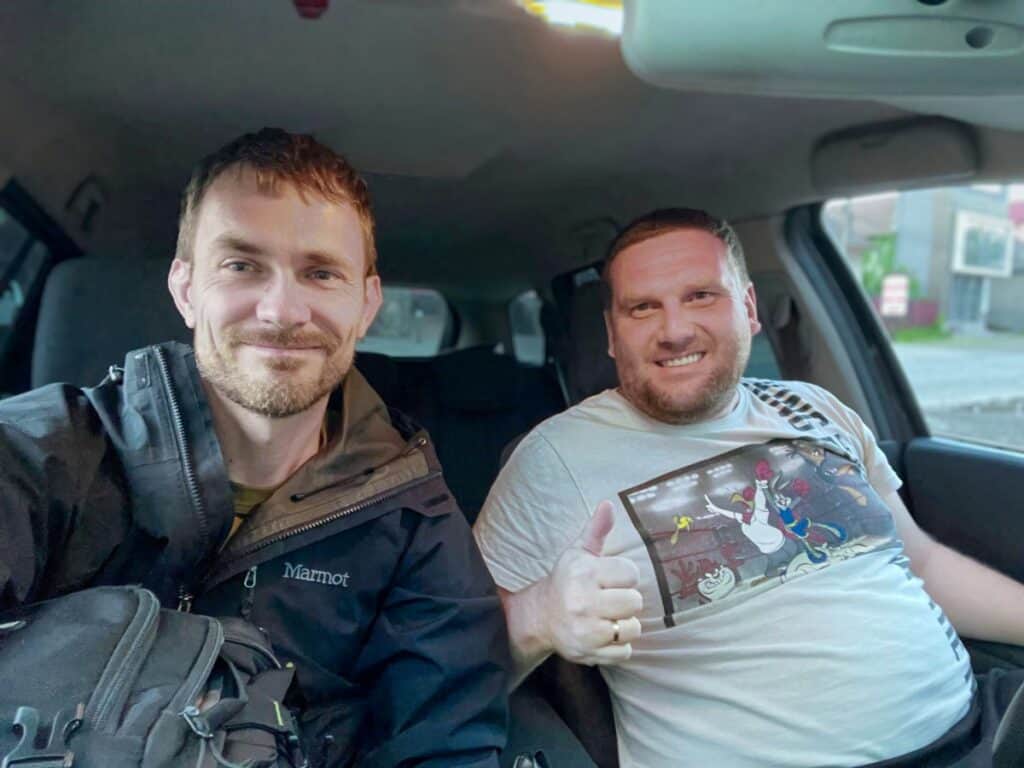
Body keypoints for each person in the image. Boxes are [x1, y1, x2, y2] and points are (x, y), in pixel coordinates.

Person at [0, 128, 509, 768]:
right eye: (242, 265)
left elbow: (445, 746)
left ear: (366, 305)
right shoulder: (49, 448)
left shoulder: (416, 520)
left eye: (321, 273)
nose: (281, 310)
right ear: (186, 289)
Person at [473, 207, 1024, 767]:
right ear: (613, 336)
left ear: (749, 309)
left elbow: (922, 562)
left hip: (984, 727)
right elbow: (445, 665)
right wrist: (539, 618)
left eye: (701, 296)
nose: (675, 330)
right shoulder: (553, 457)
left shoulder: (814, 407)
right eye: (643, 308)